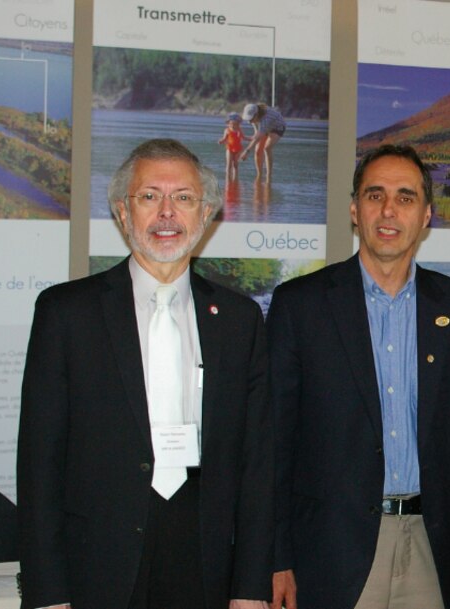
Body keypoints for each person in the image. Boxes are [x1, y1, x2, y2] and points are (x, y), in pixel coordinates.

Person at [16, 139, 272, 609]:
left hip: (205, 560)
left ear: (207, 212)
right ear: (121, 210)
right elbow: (39, 466)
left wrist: (252, 589)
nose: (167, 214)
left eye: (184, 198)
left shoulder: (238, 319)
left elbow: (256, 465)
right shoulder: (67, 313)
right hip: (99, 564)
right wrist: (46, 593)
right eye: (150, 196)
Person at [269, 144, 450, 609]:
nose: (389, 210)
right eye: (374, 196)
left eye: (405, 197)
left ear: (427, 215)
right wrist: (275, 557)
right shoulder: (301, 306)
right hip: (330, 551)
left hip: (433, 550)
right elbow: (273, 445)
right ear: (355, 210)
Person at [239, 102, 286, 181]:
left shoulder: (265, 119)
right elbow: (255, 128)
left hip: (278, 127)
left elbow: (257, 138)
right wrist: (253, 133)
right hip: (266, 128)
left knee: (266, 148)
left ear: (256, 115)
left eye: (251, 119)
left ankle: (268, 175)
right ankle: (259, 175)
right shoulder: (255, 113)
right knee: (257, 151)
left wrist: (246, 151)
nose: (249, 122)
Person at [218, 112, 244, 181]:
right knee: (229, 164)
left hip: (238, 149)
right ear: (228, 123)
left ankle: (235, 178)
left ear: (238, 124)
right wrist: (221, 141)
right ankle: (227, 178)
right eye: (231, 124)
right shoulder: (227, 130)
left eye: (235, 124)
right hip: (229, 148)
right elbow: (224, 138)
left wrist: (252, 138)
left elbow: (244, 137)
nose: (233, 126)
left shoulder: (239, 130)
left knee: (235, 164)